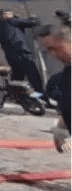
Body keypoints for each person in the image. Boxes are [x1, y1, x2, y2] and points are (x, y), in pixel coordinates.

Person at [0, 8, 44, 95]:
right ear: (7, 15)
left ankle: (17, 97)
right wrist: (33, 18)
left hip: (10, 55)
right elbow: (34, 23)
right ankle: (40, 97)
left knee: (17, 77)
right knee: (33, 77)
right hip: (22, 53)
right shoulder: (12, 21)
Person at [37, 20, 71, 152]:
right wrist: (60, 131)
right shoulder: (59, 81)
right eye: (48, 50)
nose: (52, 55)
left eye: (55, 48)